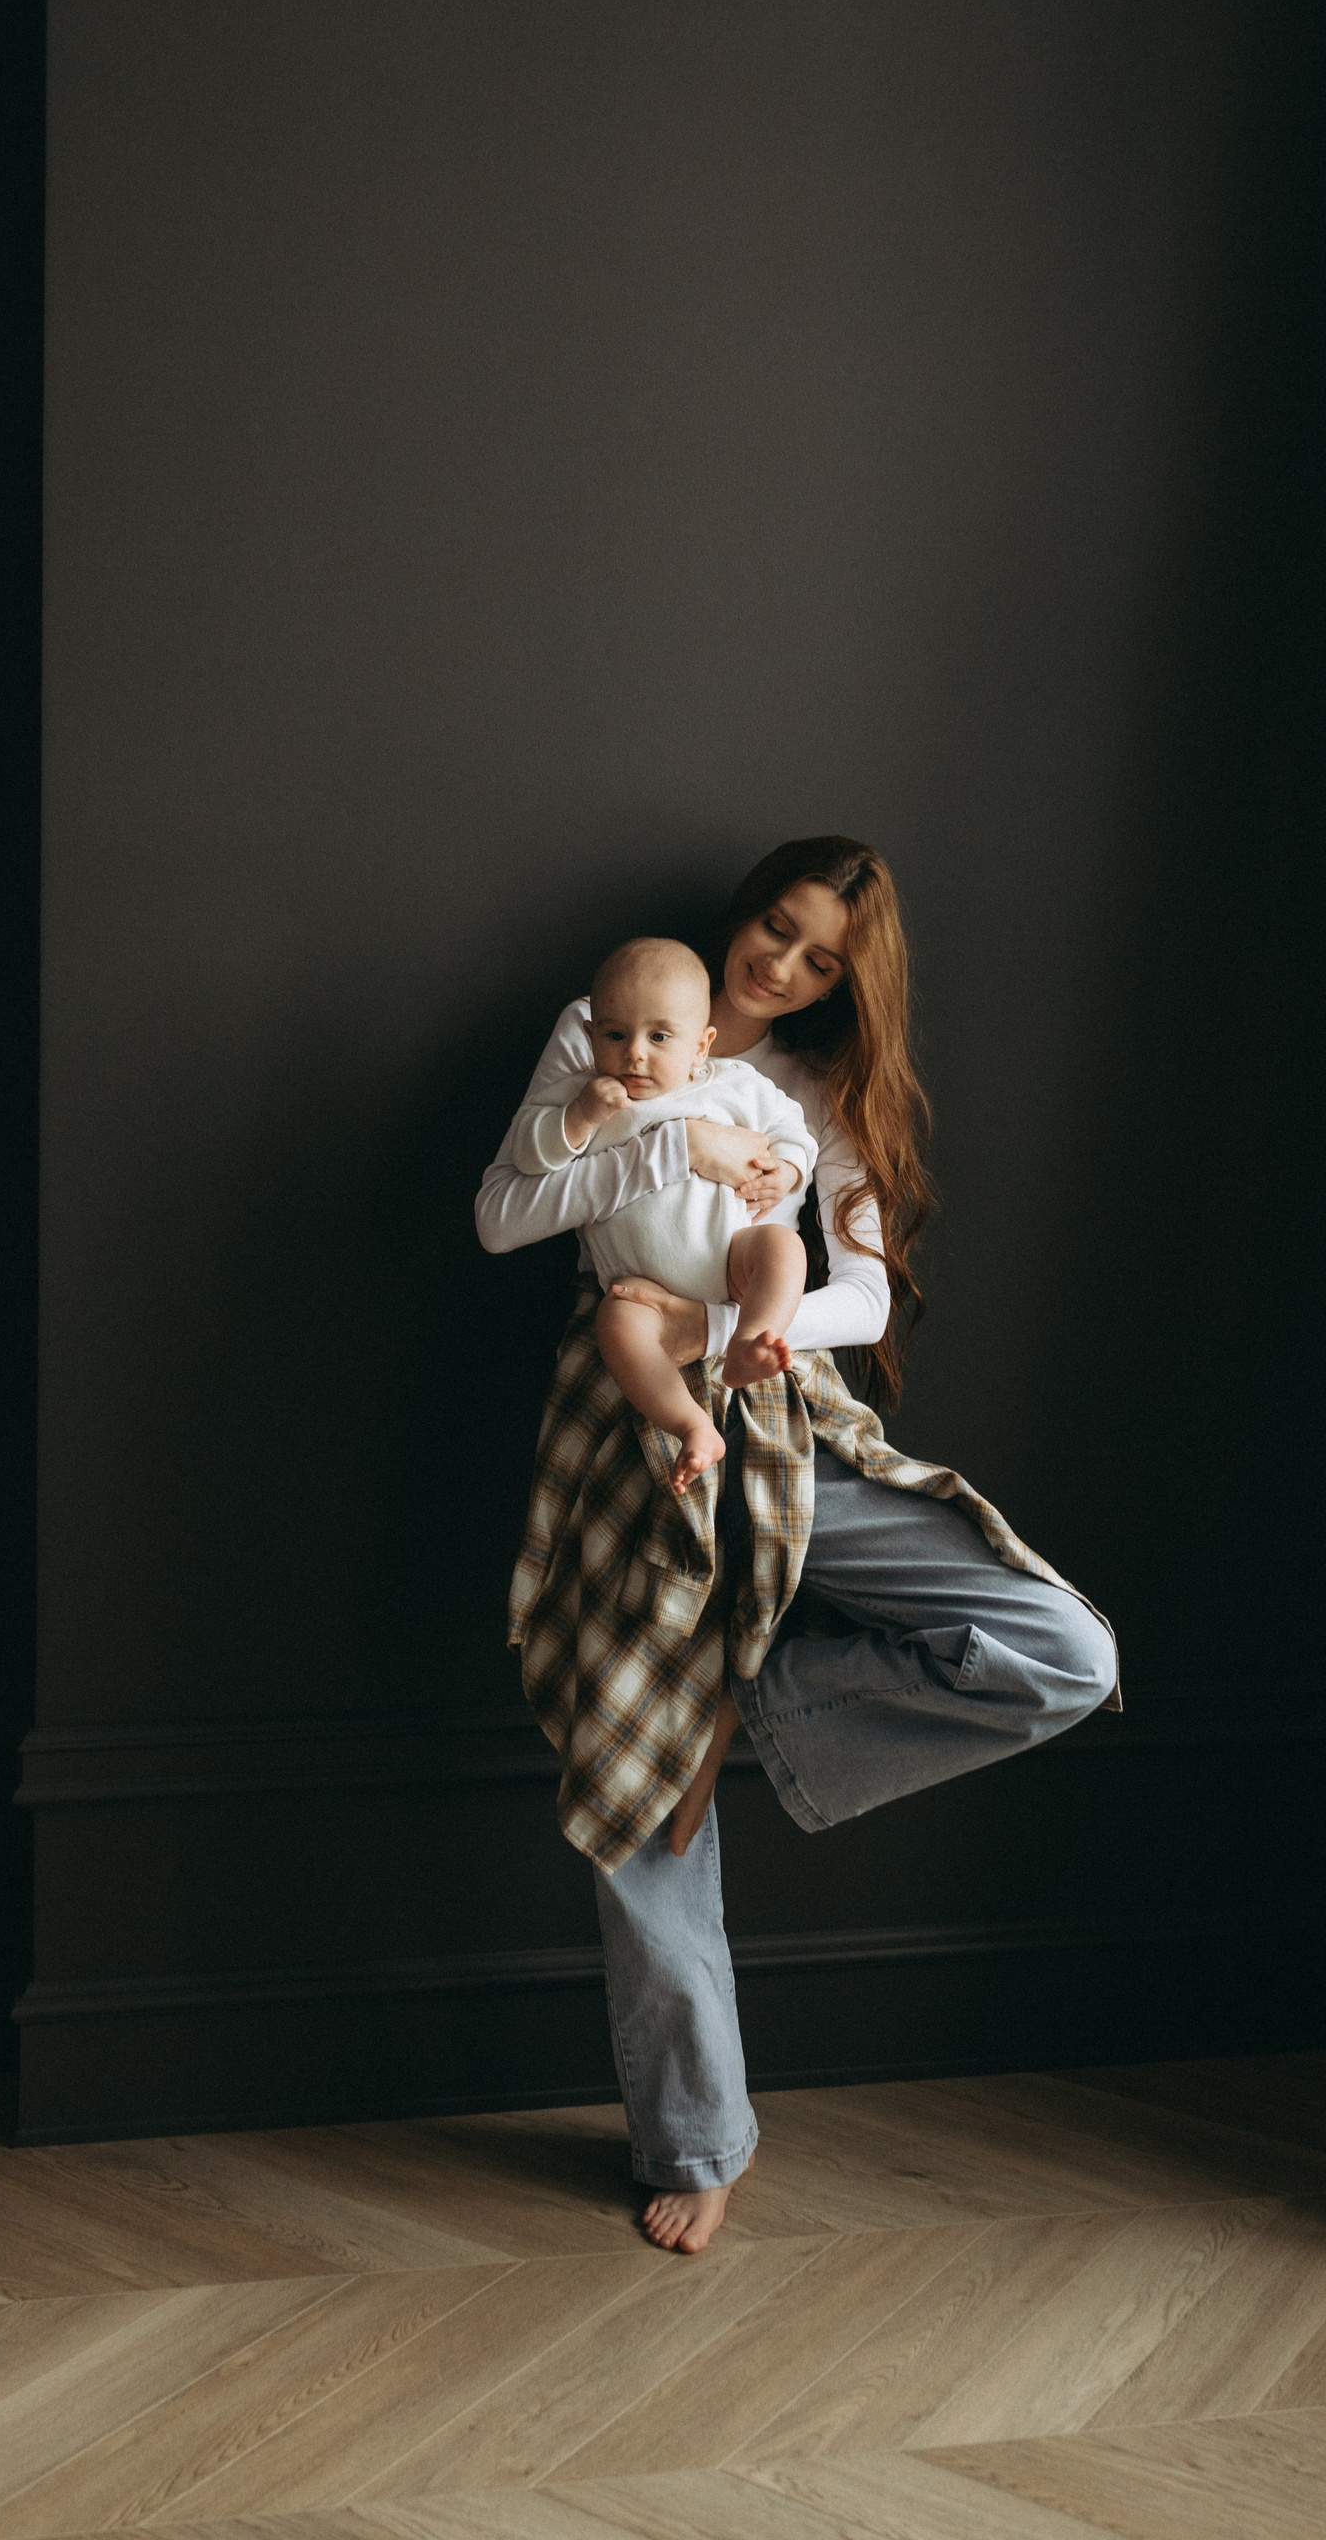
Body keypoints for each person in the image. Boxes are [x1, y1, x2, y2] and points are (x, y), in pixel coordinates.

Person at [475, 836, 1119, 2255]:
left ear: (845, 984)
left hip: (780, 1407)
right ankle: (696, 2141)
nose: (783, 966)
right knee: (646, 1801)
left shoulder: (820, 1095)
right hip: (635, 1417)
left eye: (822, 960)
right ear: (745, 912)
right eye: (778, 928)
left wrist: (722, 1323)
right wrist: (662, 1140)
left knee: (1067, 1653)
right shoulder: (607, 1031)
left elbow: (863, 1299)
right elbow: (507, 1214)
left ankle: (750, 1699)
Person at [508, 935, 817, 1491]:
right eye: (615, 1035)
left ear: (701, 1045)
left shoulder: (735, 1085)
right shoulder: (584, 1094)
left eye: (659, 1037)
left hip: (730, 1264)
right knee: (616, 1327)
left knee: (782, 1248)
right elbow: (529, 1155)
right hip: (639, 1291)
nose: (635, 1054)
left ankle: (751, 1338)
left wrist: (789, 1169)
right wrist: (579, 1118)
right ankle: (692, 1425)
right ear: (590, 1037)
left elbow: (793, 1129)